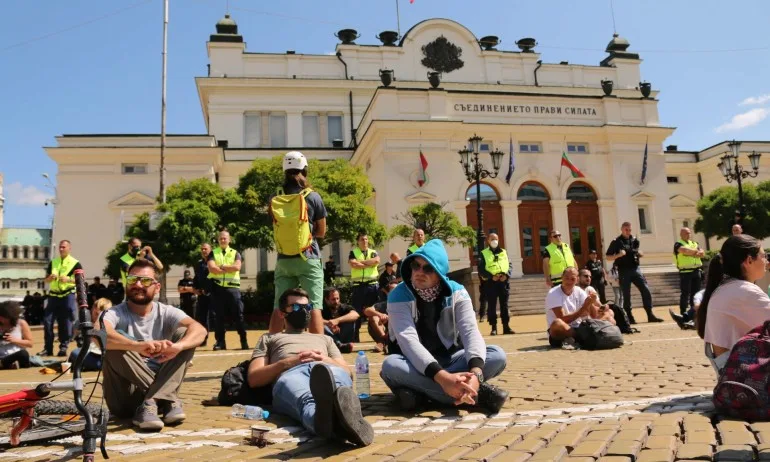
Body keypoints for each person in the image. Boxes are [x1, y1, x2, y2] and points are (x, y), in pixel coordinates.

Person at [380, 239, 509, 413]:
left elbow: (470, 331)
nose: (419, 272)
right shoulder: (398, 295)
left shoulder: (458, 292)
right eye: (416, 266)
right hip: (411, 362)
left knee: (497, 355)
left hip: (451, 360)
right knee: (391, 365)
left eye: (428, 268)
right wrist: (443, 378)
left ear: (440, 273)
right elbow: (408, 342)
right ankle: (472, 395)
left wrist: (477, 373)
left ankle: (424, 394)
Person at [247, 288, 373, 447]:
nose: (304, 312)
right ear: (282, 313)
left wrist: (323, 358)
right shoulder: (269, 338)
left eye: (307, 307)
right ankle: (333, 422)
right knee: (307, 400)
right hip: (290, 374)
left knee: (339, 390)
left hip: (325, 369)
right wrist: (288, 362)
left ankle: (337, 420)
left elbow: (347, 371)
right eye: (296, 307)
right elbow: (254, 378)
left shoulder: (325, 339)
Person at [102, 259, 206, 431]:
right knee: (113, 342)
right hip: (125, 399)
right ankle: (166, 398)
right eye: (132, 279)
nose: (137, 284)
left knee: (185, 335)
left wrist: (177, 348)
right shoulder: (115, 312)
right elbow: (98, 334)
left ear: (157, 287)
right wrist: (136, 346)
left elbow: (200, 330)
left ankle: (152, 402)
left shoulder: (165, 312)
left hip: (157, 384)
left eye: (145, 281)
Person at [268, 151, 327, 336]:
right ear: (305, 170)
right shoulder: (313, 196)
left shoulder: (275, 197)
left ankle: (269, 350)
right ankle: (319, 353)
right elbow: (322, 231)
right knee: (315, 306)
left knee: (279, 306)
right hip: (308, 256)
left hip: (284, 259)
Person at [698, 234, 770, 371]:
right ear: (749, 261)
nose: (766, 261)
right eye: (763, 256)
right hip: (749, 375)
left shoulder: (724, 289)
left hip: (734, 374)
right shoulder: (745, 291)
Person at [605, 222, 663, 324]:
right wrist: (618, 255)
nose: (628, 232)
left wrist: (641, 253)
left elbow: (638, 251)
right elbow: (608, 257)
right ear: (622, 229)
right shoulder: (616, 242)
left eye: (630, 230)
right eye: (626, 230)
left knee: (645, 289)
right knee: (626, 294)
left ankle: (650, 314)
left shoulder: (634, 240)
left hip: (636, 269)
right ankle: (629, 316)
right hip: (623, 270)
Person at [545, 267, 614, 348]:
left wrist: (591, 303)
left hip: (579, 328)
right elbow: (563, 319)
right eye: (566, 278)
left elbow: (594, 315)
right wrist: (584, 308)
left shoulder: (580, 291)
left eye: (572, 279)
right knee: (557, 323)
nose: (569, 281)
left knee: (609, 315)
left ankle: (581, 338)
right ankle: (582, 338)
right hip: (561, 331)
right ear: (562, 278)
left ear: (577, 280)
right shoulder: (553, 293)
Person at [207, 230, 249, 351]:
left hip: (233, 289)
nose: (223, 240)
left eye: (225, 238)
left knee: (238, 316)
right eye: (221, 238)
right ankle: (220, 342)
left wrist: (221, 267)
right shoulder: (213, 253)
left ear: (229, 240)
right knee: (218, 317)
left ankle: (243, 340)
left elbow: (237, 267)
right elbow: (212, 269)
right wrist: (227, 268)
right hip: (218, 289)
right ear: (218, 240)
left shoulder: (235, 253)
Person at [40, 240, 82, 357]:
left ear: (69, 248)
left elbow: (80, 280)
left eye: (64, 247)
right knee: (48, 322)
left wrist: (68, 279)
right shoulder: (53, 262)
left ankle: (63, 347)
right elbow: (45, 280)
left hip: (67, 295)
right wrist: (50, 278)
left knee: (65, 322)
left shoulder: (75, 263)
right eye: (60, 247)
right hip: (53, 295)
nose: (61, 249)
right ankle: (48, 349)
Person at [478, 233, 513, 336]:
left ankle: (506, 326)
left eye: (496, 239)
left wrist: (506, 275)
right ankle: (493, 327)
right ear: (488, 241)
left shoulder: (504, 252)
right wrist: (490, 276)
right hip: (491, 282)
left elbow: (509, 265)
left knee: (504, 305)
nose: (494, 241)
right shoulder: (483, 253)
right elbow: (481, 269)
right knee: (492, 306)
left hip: (503, 282)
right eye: (492, 239)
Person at [348, 233, 380, 342]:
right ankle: (355, 337)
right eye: (362, 239)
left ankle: (378, 337)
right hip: (358, 287)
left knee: (374, 312)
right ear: (358, 241)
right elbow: (353, 264)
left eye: (366, 239)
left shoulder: (373, 252)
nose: (365, 241)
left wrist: (360, 263)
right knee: (356, 313)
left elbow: (376, 261)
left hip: (372, 286)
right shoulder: (353, 252)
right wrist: (368, 264)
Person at [68, 298, 111, 371]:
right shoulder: (83, 321)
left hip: (106, 354)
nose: (98, 316)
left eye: (102, 314)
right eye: (96, 313)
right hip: (89, 352)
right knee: (75, 353)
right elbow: (73, 336)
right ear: (92, 309)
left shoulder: (111, 322)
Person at [673, 227, 705, 318]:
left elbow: (702, 253)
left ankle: (693, 312)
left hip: (696, 271)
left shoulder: (694, 243)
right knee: (685, 293)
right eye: (686, 233)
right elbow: (684, 250)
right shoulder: (678, 244)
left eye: (689, 233)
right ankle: (683, 312)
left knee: (696, 294)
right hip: (685, 272)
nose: (688, 235)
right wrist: (695, 252)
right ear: (681, 234)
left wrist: (692, 252)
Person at [364, 281, 398, 353]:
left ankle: (382, 343)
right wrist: (380, 315)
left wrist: (389, 318)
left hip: (396, 333)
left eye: (397, 290)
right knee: (373, 316)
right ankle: (385, 340)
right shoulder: (382, 304)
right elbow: (367, 310)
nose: (395, 292)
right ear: (387, 293)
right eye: (392, 290)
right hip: (382, 332)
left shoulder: (404, 305)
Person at [322, 288, 358, 353]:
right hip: (330, 338)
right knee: (321, 325)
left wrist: (337, 320)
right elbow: (314, 319)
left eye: (337, 298)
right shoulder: (322, 310)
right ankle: (339, 345)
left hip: (344, 337)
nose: (336, 301)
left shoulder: (345, 307)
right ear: (326, 300)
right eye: (333, 299)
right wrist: (329, 324)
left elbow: (355, 315)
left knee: (350, 320)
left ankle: (341, 345)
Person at [0, 301, 34, 369]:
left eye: (3, 317)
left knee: (23, 354)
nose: (1, 318)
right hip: (2, 358)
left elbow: (30, 343)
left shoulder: (21, 323)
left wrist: (14, 340)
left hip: (16, 355)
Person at [193, 243, 213, 347]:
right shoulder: (198, 264)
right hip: (202, 295)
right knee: (202, 318)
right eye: (202, 249)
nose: (204, 251)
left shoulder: (215, 262)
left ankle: (220, 341)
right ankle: (203, 339)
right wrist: (194, 288)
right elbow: (196, 278)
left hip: (214, 294)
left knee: (217, 318)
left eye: (205, 249)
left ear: (211, 250)